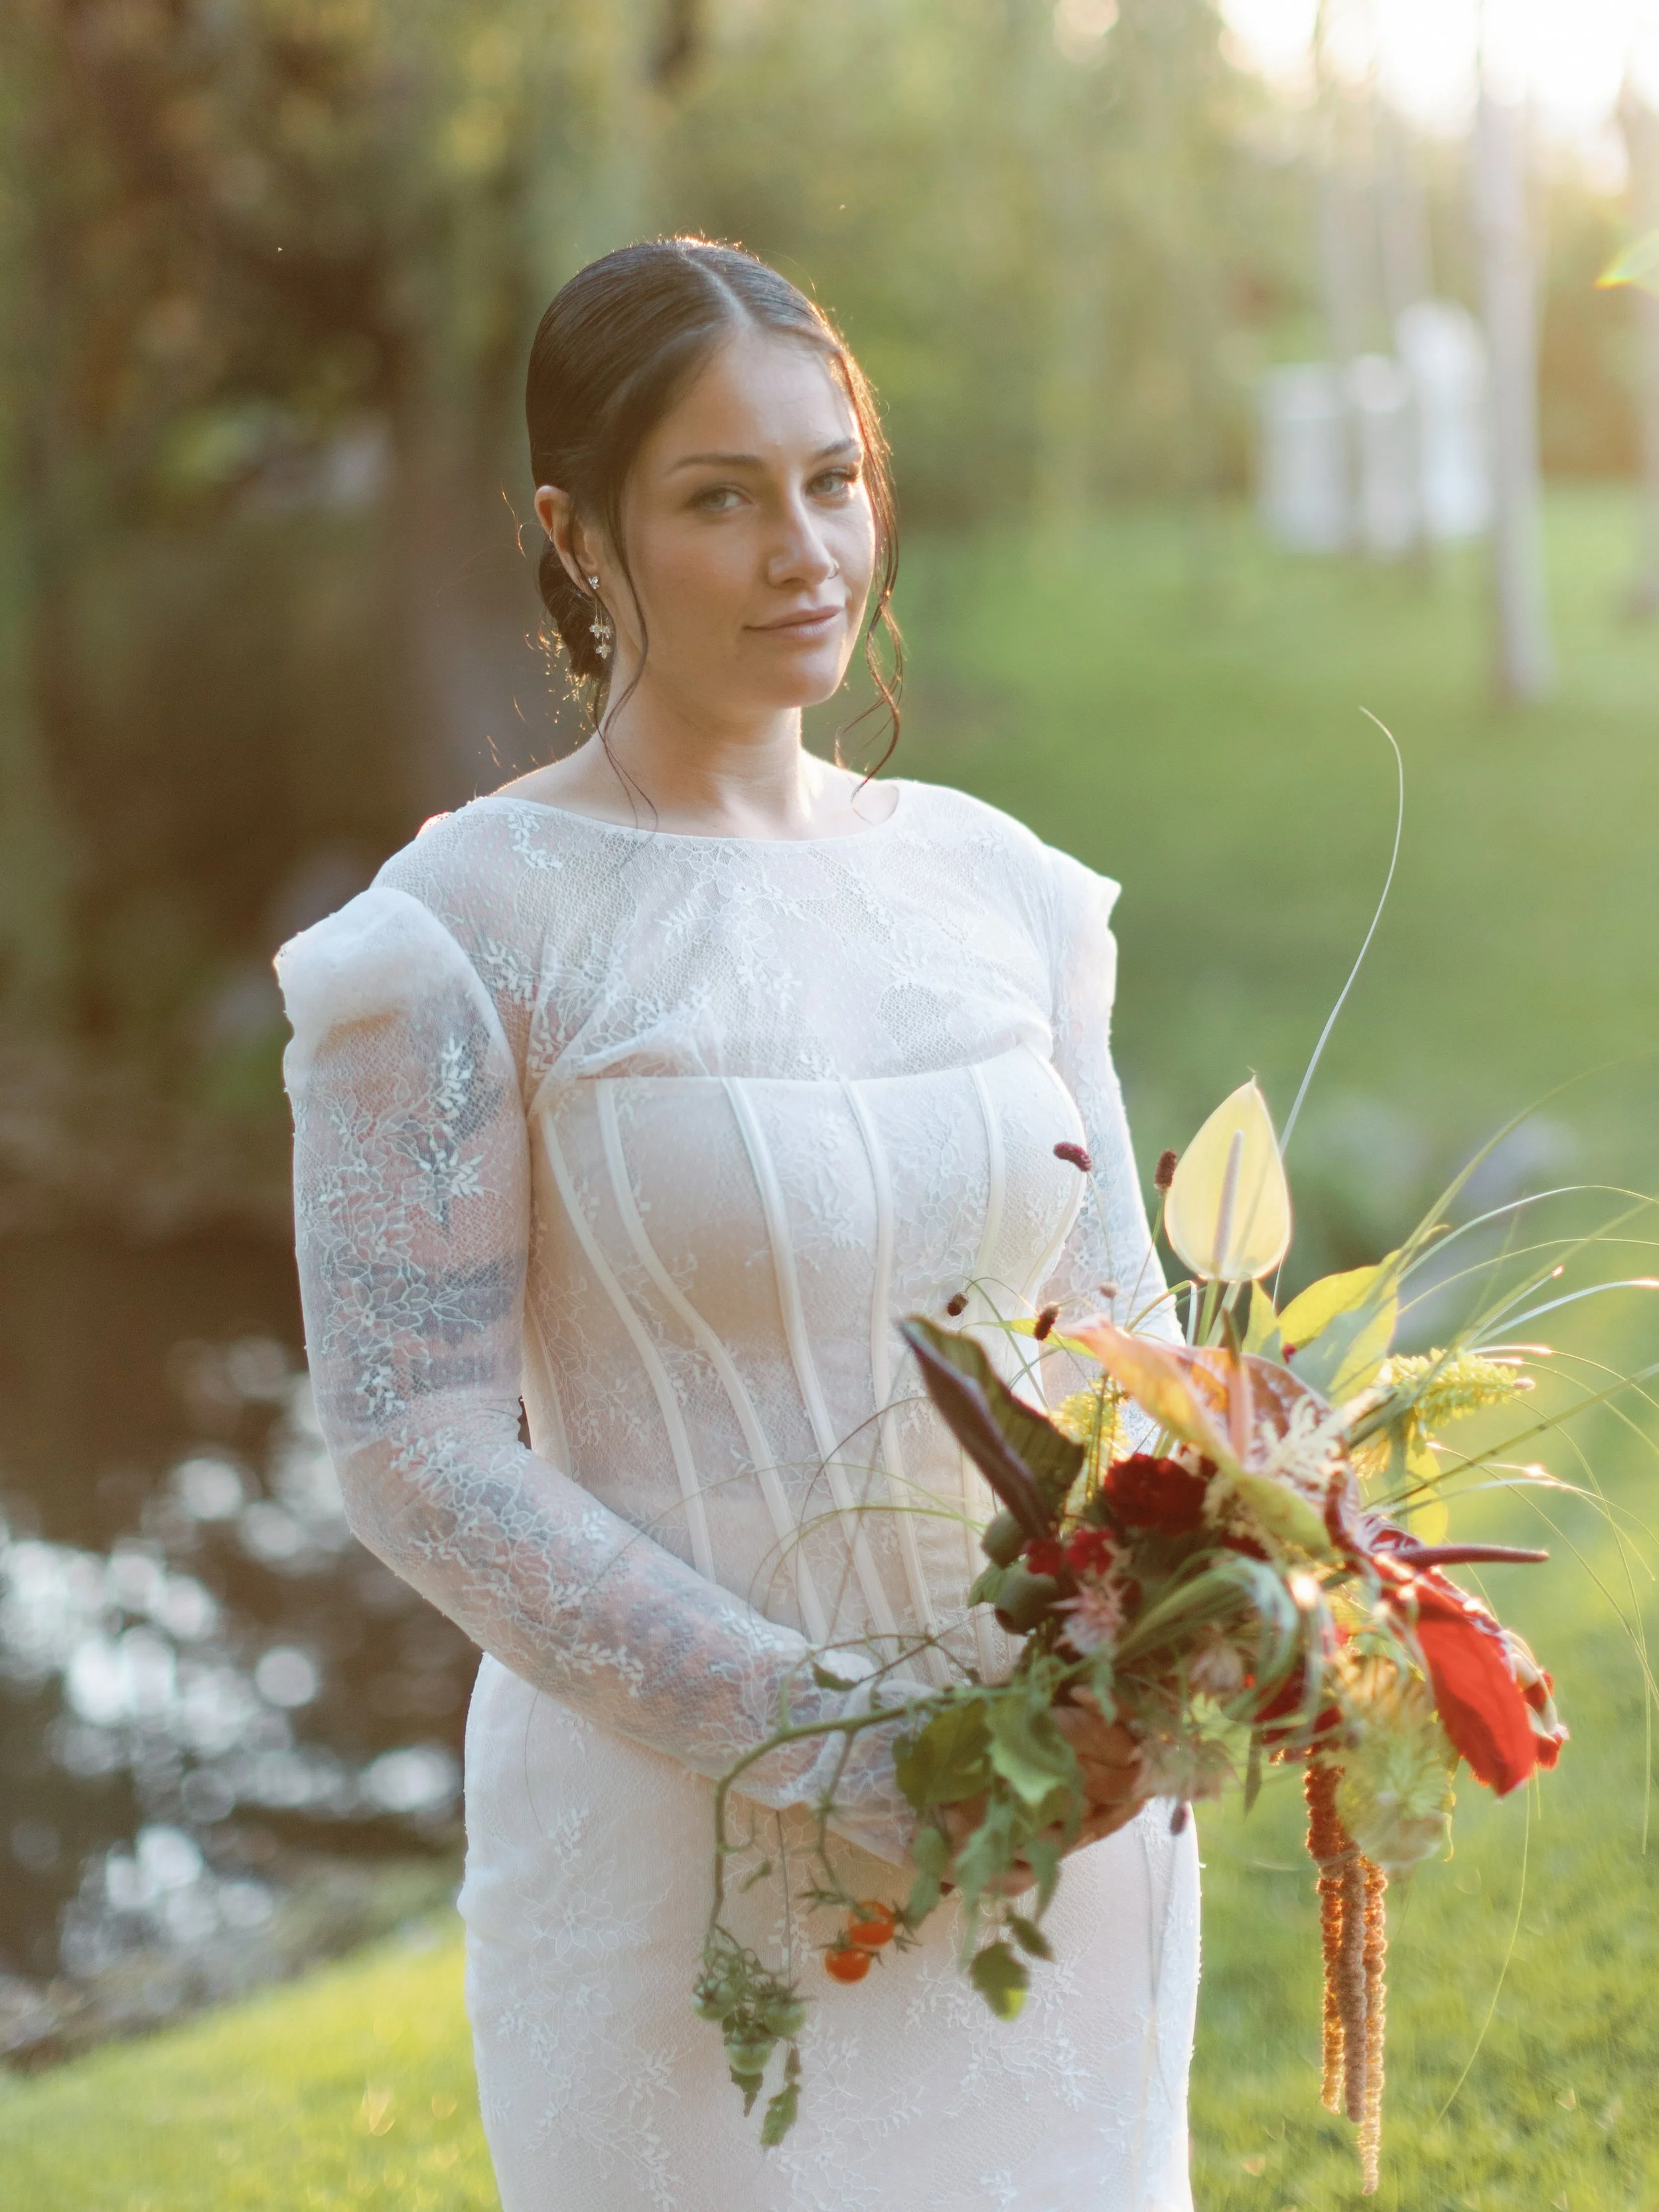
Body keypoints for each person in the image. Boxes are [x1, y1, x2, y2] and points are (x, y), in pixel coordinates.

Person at [276, 236, 1198, 2212]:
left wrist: (1155, 1656)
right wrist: (833, 1738)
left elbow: (1129, 1330)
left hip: (1053, 1825)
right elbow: (413, 1451)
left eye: (830, 478)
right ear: (574, 531)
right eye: (720, 495)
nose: (804, 549)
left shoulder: (1006, 893)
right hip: (675, 1857)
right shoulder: (456, 940)